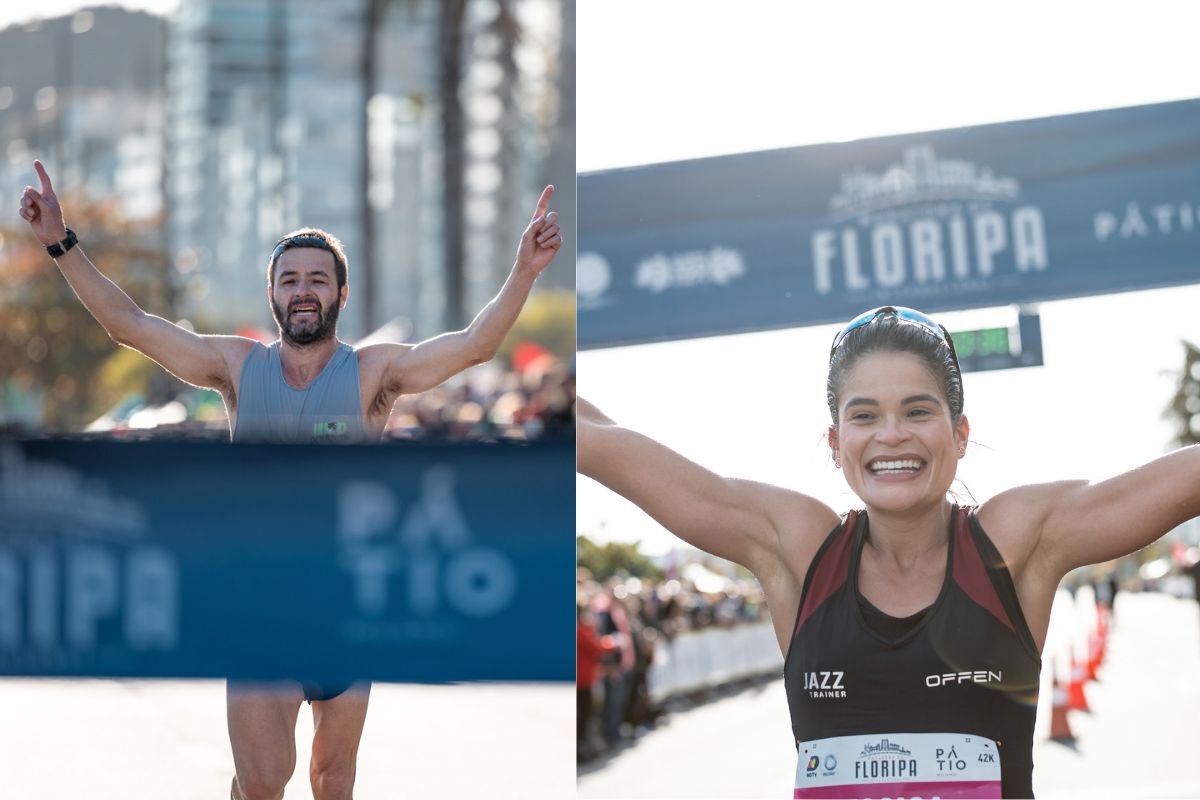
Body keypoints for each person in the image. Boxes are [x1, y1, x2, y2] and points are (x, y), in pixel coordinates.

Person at [19, 159, 562, 800]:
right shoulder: (236, 365)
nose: (303, 290)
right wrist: (61, 243)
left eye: (317, 280)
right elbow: (129, 324)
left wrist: (523, 271)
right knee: (263, 780)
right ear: (272, 295)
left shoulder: (373, 373)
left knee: (332, 780)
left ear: (340, 295)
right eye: (289, 280)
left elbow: (473, 344)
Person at [577, 306, 1200, 799]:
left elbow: (1174, 482)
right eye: (865, 414)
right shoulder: (799, 546)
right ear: (835, 440)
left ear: (960, 434)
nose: (892, 434)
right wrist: (487, 353)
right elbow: (602, 441)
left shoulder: (1012, 542)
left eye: (918, 411)